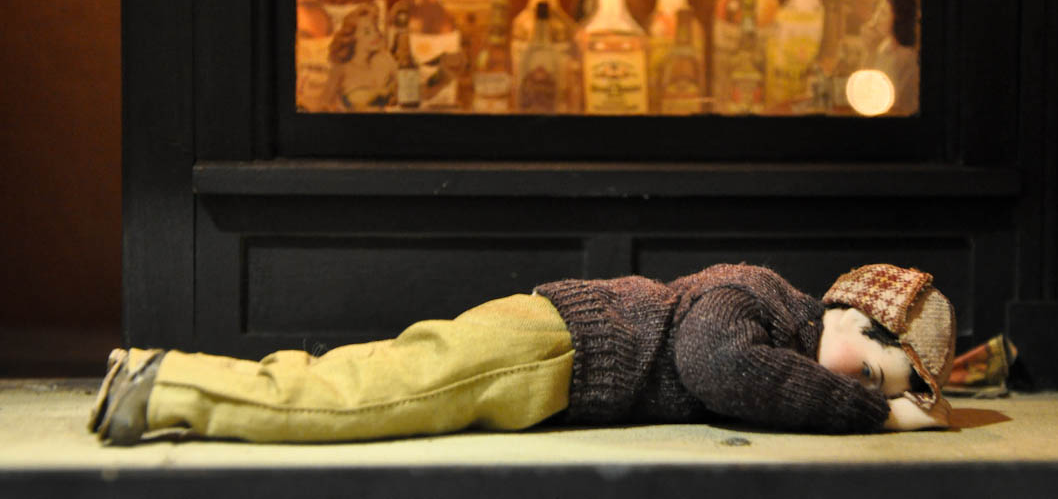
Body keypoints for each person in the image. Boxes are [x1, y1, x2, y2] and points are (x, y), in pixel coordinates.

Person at [88, 262, 955, 445]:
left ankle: (165, 380)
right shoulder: (755, 293)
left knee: (370, 378)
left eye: (873, 386)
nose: (859, 383)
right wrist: (874, 415)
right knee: (370, 398)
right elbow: (721, 367)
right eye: (872, 369)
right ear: (854, 315)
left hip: (549, 349)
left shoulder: (781, 322)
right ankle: (165, 387)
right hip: (551, 348)